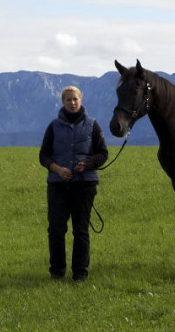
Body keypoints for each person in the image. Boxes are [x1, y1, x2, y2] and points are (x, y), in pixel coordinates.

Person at [39, 86, 108, 282]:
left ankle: (80, 273)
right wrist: (58, 170)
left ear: (81, 100)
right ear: (62, 102)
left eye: (75, 99)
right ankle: (57, 272)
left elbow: (103, 153)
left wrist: (86, 164)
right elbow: (43, 155)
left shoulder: (93, 125)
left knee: (81, 230)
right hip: (58, 186)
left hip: (84, 185)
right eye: (68, 100)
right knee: (56, 230)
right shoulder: (53, 126)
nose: (72, 103)